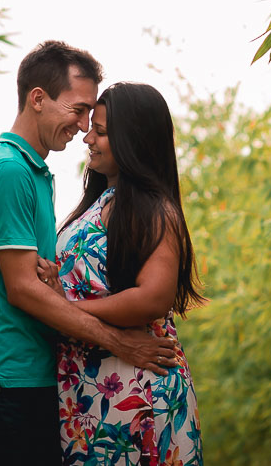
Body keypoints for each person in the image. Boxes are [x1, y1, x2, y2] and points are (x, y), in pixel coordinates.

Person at [0, 42, 181, 466]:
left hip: (36, 378)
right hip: (5, 378)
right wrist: (120, 343)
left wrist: (64, 296)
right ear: (38, 98)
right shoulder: (10, 171)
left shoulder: (35, 174)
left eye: (93, 117)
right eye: (79, 109)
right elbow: (23, 289)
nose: (84, 126)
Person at [39, 82, 205, 465]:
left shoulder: (153, 209)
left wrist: (66, 309)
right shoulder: (100, 203)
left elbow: (153, 298)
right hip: (91, 387)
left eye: (100, 131)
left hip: (137, 387)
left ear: (132, 140)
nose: (88, 138)